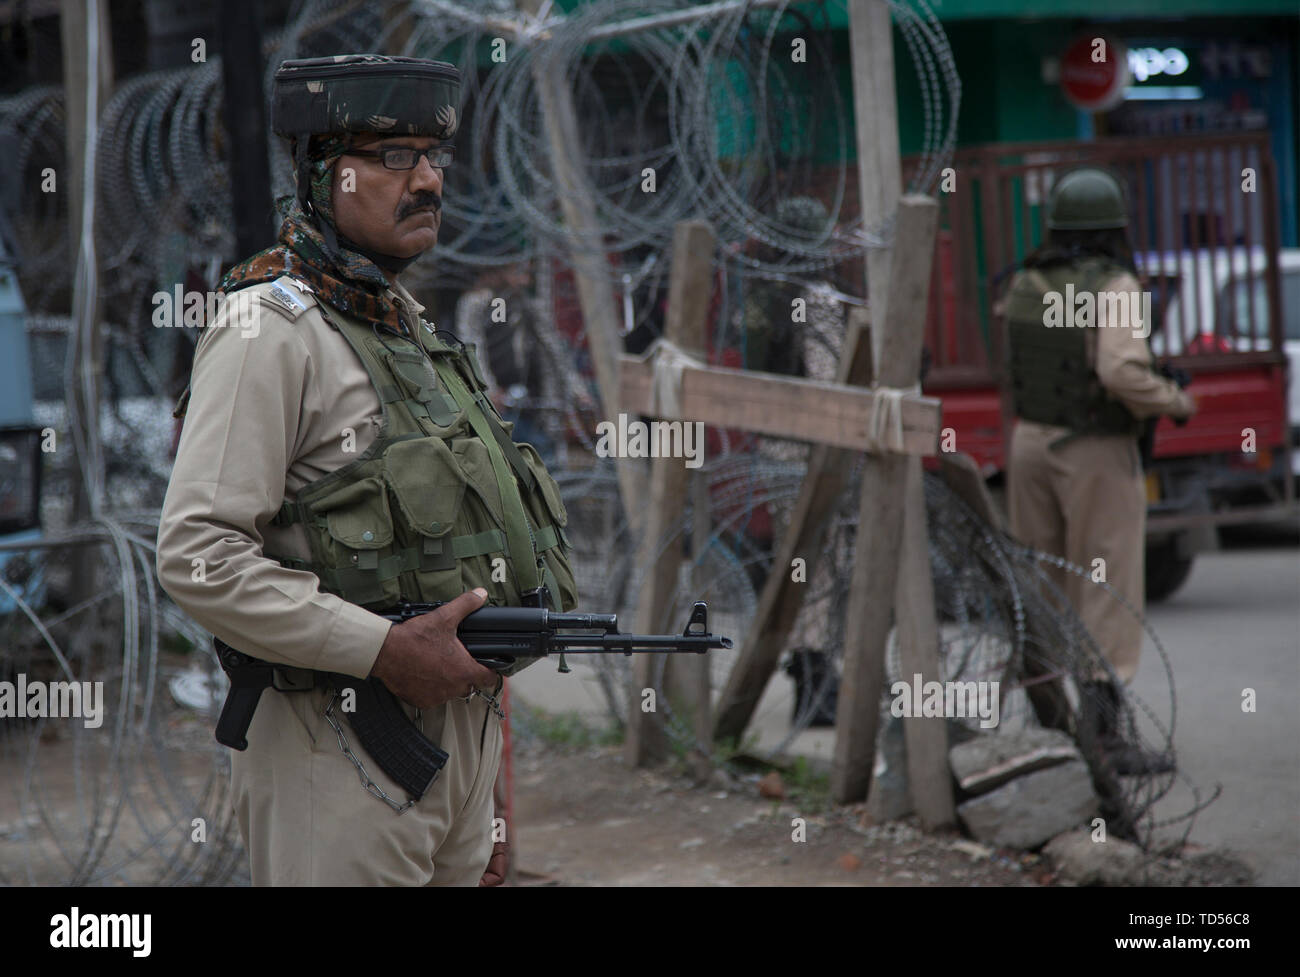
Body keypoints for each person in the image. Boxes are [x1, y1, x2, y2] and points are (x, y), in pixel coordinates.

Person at [156, 55, 578, 885]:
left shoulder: (406, 327)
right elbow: (196, 555)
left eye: (434, 158)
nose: (425, 180)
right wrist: (379, 647)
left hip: (447, 762)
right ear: (324, 174)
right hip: (334, 759)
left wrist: (477, 796)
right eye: (393, 157)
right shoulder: (267, 330)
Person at [1003, 167, 1196, 776]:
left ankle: (1045, 724)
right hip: (1093, 447)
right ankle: (1107, 737)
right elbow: (1119, 372)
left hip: (1030, 441)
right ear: (1115, 227)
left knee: (1044, 583)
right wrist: (1174, 399)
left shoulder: (1026, 283)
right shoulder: (1115, 287)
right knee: (1106, 582)